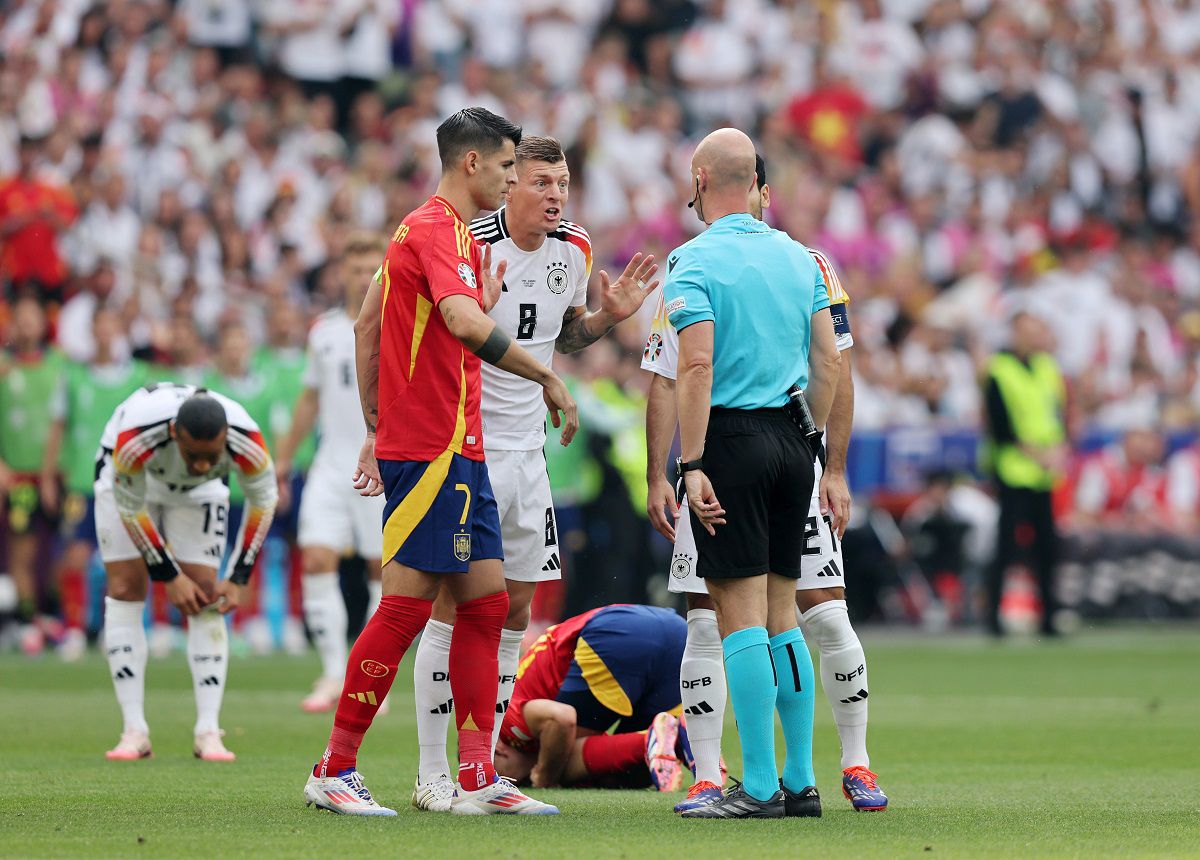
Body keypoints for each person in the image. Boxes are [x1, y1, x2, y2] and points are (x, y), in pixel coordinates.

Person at [301, 108, 577, 817]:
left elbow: (369, 323)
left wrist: (373, 423)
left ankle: (479, 776)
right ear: (474, 165)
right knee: (404, 607)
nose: (517, 178)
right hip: (430, 450)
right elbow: (460, 321)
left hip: (461, 449)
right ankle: (334, 768)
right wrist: (542, 375)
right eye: (512, 167)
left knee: (486, 603)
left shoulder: (450, 237)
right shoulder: (431, 228)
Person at [410, 134, 659, 812]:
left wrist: (606, 317)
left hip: (529, 455)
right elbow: (441, 329)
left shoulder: (573, 249)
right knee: (454, 606)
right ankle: (433, 772)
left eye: (564, 183)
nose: (556, 196)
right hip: (467, 446)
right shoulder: (470, 241)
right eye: (543, 182)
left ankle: (485, 767)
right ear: (510, 182)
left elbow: (562, 332)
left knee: (515, 610)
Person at [644, 154, 888, 814]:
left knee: (735, 619)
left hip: (729, 440)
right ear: (756, 188)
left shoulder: (692, 261)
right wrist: (816, 448)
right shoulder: (802, 258)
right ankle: (802, 781)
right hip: (793, 441)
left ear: (700, 185)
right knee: (786, 618)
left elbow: (690, 367)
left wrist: (689, 465)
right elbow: (830, 362)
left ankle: (754, 786)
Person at [98, 385, 277, 762]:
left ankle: (208, 730)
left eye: (210, 457)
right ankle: (134, 731)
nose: (200, 464)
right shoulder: (135, 440)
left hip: (199, 494)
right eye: (193, 455)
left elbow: (264, 501)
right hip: (132, 483)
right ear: (176, 435)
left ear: (225, 439)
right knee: (126, 586)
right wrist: (167, 575)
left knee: (205, 593)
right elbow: (130, 508)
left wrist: (240, 574)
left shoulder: (249, 444)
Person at [274, 234, 388, 713]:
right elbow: (309, 399)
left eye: (372, 269)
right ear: (343, 273)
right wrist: (282, 460)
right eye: (356, 268)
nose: (364, 277)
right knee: (317, 559)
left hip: (381, 465)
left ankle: (369, 681)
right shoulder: (322, 331)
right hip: (328, 464)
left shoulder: (397, 321)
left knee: (379, 571)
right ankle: (332, 673)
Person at [42, 306, 150, 657]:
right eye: (99, 325)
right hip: (81, 482)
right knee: (75, 556)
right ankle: (74, 629)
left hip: (125, 484)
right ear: (92, 331)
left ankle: (114, 631)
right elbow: (58, 427)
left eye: (111, 324)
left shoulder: (139, 376)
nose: (105, 332)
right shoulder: (73, 376)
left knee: (122, 560)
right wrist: (47, 474)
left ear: (119, 329)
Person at [492, 604, 690, 791]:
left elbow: (562, 717)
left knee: (563, 763)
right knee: (632, 773)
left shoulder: (505, 719)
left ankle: (657, 738)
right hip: (676, 630)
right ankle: (683, 738)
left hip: (615, 634)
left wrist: (545, 777)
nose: (519, 783)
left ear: (498, 750)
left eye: (502, 779)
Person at [982, 311, 1066, 637]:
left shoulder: (1048, 367)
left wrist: (1057, 450)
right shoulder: (999, 370)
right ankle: (993, 617)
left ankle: (1049, 616)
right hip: (1013, 469)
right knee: (1007, 546)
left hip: (1044, 472)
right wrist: (1038, 452)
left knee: (1047, 546)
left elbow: (1056, 413)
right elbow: (999, 425)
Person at [0, 297, 64, 653]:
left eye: (32, 317)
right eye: (19, 318)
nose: (26, 324)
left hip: (57, 473)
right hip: (20, 475)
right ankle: (26, 623)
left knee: (60, 549)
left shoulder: (59, 366)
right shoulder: (4, 369)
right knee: (21, 551)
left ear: (43, 324)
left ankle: (53, 617)